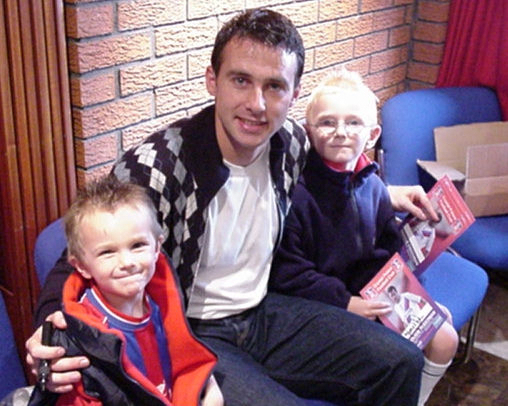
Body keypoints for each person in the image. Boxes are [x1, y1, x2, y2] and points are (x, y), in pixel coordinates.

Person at [26, 9, 438, 406]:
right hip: (191, 330)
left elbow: (336, 173)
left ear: (295, 94)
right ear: (213, 80)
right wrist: (48, 330)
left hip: (265, 310)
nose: (257, 104)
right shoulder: (156, 167)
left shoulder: (290, 143)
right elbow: (74, 258)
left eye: (275, 86)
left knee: (401, 361)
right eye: (241, 80)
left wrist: (389, 192)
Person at [270, 69, 458, 405]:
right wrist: (347, 303)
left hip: (369, 290)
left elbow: (386, 245)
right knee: (402, 352)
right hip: (324, 303)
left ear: (372, 134)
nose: (341, 132)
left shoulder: (371, 181)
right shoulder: (298, 195)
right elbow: (289, 273)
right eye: (328, 122)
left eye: (354, 123)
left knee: (444, 335)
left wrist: (411, 289)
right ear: (309, 131)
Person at [28, 176, 222, 406]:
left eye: (138, 245)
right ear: (81, 265)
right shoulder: (80, 342)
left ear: (157, 247)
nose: (127, 261)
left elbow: (180, 362)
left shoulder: (162, 302)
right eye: (107, 252)